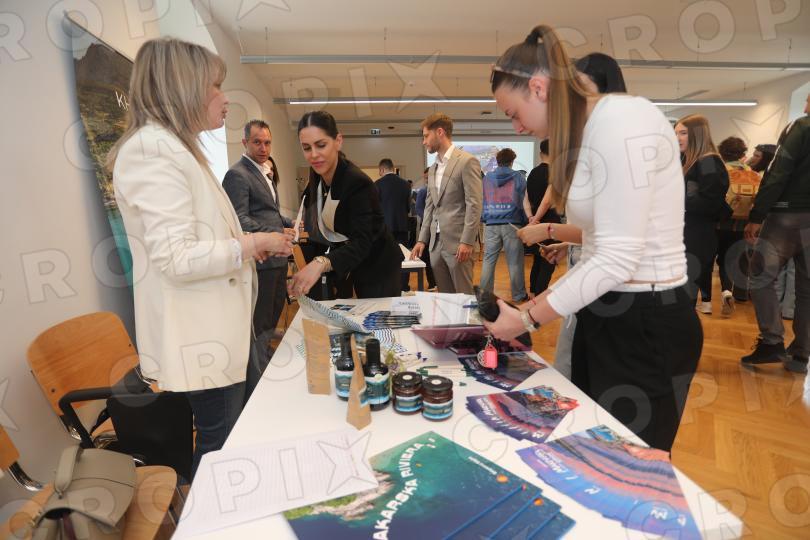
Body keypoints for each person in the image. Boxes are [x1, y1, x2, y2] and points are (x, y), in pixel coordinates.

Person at [484, 25, 701, 452]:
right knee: (589, 447)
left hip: (646, 322)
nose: (517, 127)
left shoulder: (624, 120)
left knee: (629, 463)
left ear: (539, 88)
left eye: (513, 113)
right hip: (605, 312)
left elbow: (616, 256)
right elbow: (602, 240)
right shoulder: (589, 133)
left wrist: (527, 318)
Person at [106, 38, 293, 477]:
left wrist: (251, 243)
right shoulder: (151, 151)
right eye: (215, 86)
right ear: (183, 87)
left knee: (235, 434)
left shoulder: (179, 149)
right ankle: (213, 510)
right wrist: (253, 244)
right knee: (220, 446)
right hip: (202, 338)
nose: (225, 98)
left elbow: (204, 234)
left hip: (221, 330)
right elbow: (176, 257)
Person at [289, 111, 402, 299]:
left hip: (378, 265)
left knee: (376, 317)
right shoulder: (316, 178)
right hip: (348, 263)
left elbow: (363, 241)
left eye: (321, 145)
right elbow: (316, 227)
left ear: (338, 141)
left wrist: (321, 262)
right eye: (307, 148)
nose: (314, 155)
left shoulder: (357, 182)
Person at [222, 120, 294, 401]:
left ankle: (264, 372)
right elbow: (239, 220)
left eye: (267, 142)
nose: (263, 148)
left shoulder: (264, 172)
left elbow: (268, 211)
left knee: (271, 321)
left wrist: (289, 224)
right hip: (261, 261)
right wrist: (275, 233)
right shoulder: (237, 175)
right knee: (260, 325)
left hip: (277, 260)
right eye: (257, 142)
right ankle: (256, 388)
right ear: (245, 143)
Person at [742, 93, 810, 373]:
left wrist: (757, 214)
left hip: (788, 214)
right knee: (807, 288)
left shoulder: (802, 126)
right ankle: (801, 353)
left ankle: (772, 341)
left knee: (760, 275)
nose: (805, 106)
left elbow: (779, 171)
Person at [411, 113, 483, 294]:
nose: (424, 142)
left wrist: (467, 241)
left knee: (464, 297)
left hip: (459, 244)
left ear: (440, 132)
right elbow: (430, 207)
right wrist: (422, 239)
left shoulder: (467, 161)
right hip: (435, 246)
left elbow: (474, 204)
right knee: (445, 298)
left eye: (426, 136)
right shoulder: (433, 168)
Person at [675, 114, 731, 314]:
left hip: (697, 235)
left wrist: (677, 199)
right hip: (686, 233)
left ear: (697, 134)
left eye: (683, 133)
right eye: (676, 133)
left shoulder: (707, 161)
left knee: (684, 297)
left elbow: (711, 202)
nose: (678, 138)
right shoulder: (689, 160)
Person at [714, 136, 761, 315]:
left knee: (712, 259)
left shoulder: (721, 171)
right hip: (741, 225)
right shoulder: (752, 173)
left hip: (719, 222)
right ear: (742, 154)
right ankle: (729, 292)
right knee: (729, 260)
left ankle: (715, 296)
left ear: (722, 153)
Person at [479, 148, 528, 302]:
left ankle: (485, 296)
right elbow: (524, 201)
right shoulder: (518, 177)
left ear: (497, 161)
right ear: (512, 161)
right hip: (512, 224)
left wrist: (484, 218)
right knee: (515, 262)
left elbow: (483, 199)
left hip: (491, 224)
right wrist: (525, 221)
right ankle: (518, 295)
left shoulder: (487, 178)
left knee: (488, 261)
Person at [523, 139, 560, 296]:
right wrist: (537, 218)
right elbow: (546, 201)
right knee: (548, 261)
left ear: (540, 154)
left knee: (538, 259)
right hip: (549, 223)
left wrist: (531, 218)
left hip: (535, 222)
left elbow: (525, 198)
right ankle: (539, 296)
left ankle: (533, 292)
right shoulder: (555, 173)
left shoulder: (532, 172)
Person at [375, 158, 412, 291]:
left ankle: (387, 286)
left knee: (385, 258)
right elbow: (408, 208)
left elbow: (375, 209)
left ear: (382, 169)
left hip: (384, 229)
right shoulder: (406, 184)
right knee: (403, 258)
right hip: (402, 227)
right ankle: (403, 286)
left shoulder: (377, 184)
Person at [414, 168, 437, 289]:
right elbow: (418, 209)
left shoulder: (438, 189)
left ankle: (436, 282)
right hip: (427, 228)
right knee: (427, 257)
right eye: (426, 177)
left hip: (438, 228)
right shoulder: (423, 191)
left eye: (428, 177)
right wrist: (430, 220)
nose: (427, 179)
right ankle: (432, 283)